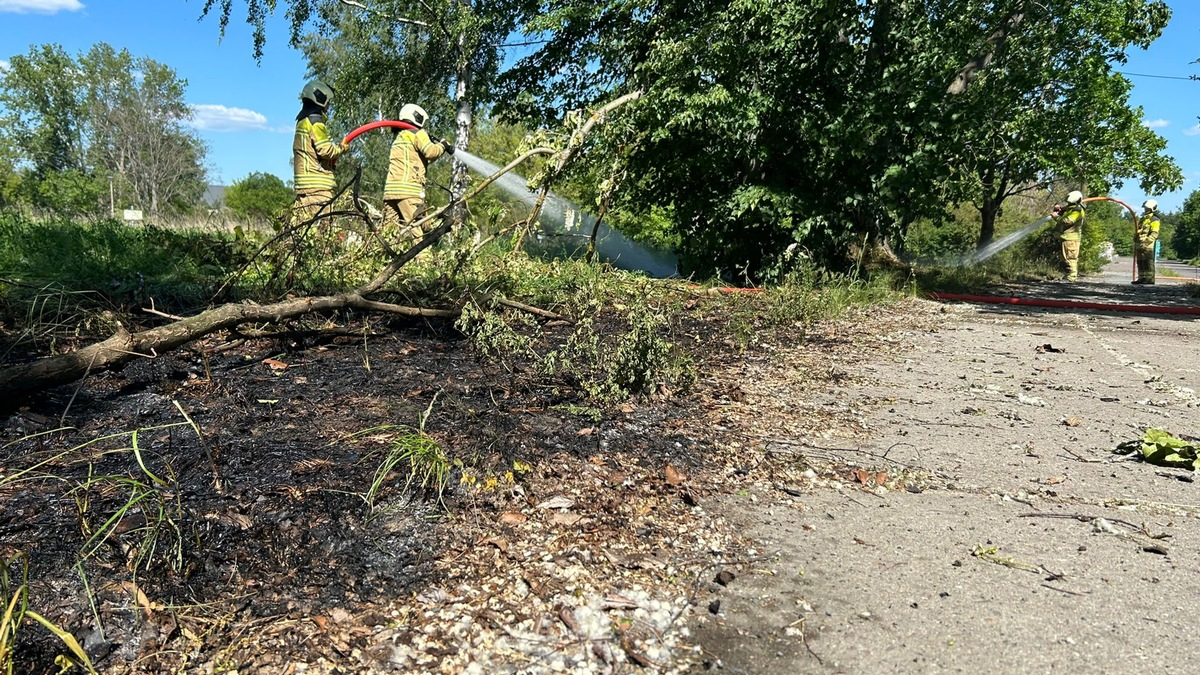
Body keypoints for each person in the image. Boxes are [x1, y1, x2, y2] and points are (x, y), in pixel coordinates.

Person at [382, 103, 454, 247]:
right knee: (418, 233)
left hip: (391, 192)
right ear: (417, 117)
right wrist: (443, 145)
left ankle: (384, 261)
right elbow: (431, 152)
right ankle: (424, 265)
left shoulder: (400, 136)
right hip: (409, 191)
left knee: (388, 234)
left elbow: (418, 160)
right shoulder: (417, 133)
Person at [291, 79, 348, 225]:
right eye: (328, 102)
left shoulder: (302, 121)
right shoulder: (316, 122)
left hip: (304, 188)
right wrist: (341, 148)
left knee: (302, 231)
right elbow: (326, 150)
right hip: (318, 189)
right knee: (323, 233)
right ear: (321, 100)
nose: (329, 106)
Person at [1053, 190, 1085, 282]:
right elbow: (1062, 213)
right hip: (1066, 237)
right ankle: (1068, 275)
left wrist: (1056, 217)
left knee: (1071, 258)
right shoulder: (1070, 209)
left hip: (1072, 238)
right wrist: (1057, 209)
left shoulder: (1077, 211)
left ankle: (1072, 277)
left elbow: (1068, 221)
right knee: (1066, 258)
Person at [1133, 199, 1161, 285]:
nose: (1145, 210)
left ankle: (1149, 279)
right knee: (1140, 262)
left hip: (1148, 245)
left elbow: (1154, 233)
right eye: (1145, 208)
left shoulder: (1154, 219)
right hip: (1139, 244)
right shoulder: (1143, 219)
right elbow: (1139, 230)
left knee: (1148, 262)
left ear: (1152, 209)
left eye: (1147, 208)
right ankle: (1141, 278)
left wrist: (1146, 243)